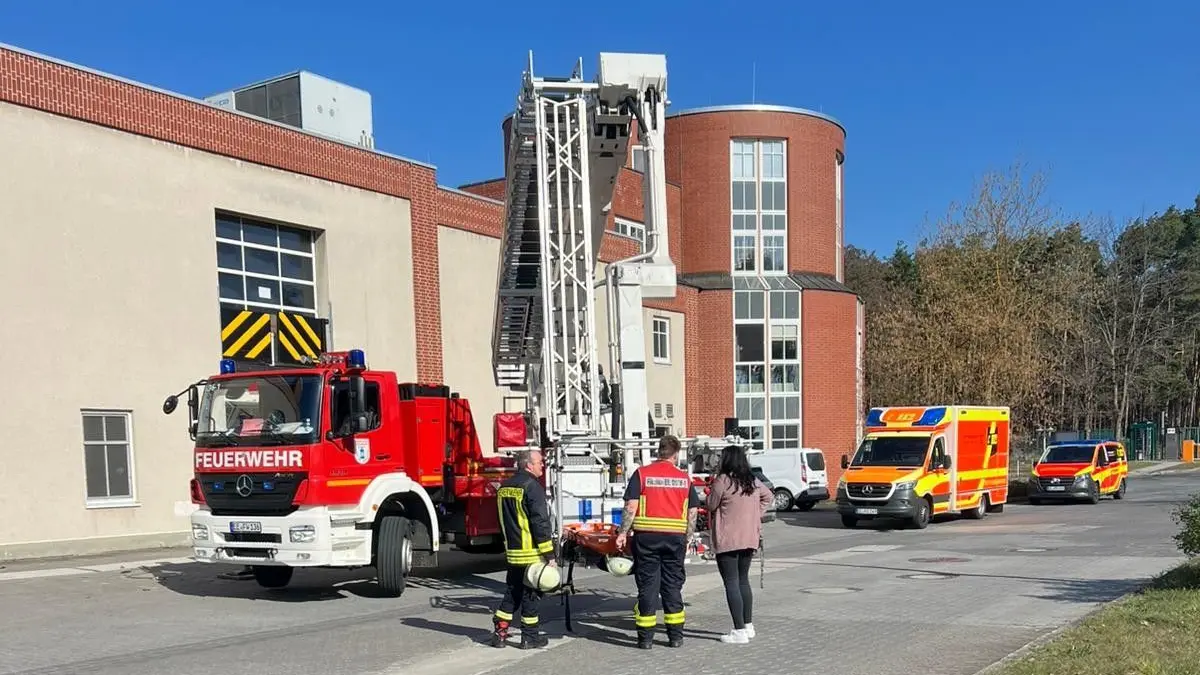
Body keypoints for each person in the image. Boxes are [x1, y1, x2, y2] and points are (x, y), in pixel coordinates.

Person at [615, 435, 702, 650]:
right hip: (675, 539)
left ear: (659, 452)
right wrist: (688, 536)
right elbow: (692, 512)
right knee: (672, 586)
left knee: (648, 586)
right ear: (676, 454)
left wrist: (622, 533)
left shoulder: (642, 474)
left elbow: (631, 507)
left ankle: (645, 639)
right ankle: (675, 637)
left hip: (646, 538)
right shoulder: (684, 479)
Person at [705, 443, 773, 644]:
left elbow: (710, 504)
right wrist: (755, 515)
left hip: (728, 539)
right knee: (743, 581)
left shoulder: (723, 481)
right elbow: (768, 496)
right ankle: (748, 625)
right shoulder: (751, 481)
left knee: (731, 582)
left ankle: (738, 630)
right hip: (749, 537)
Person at [490, 448, 557, 650]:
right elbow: (540, 523)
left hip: (514, 552)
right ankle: (530, 637)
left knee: (512, 592)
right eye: (539, 462)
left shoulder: (505, 487)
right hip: (532, 553)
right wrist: (550, 554)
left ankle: (500, 632)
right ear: (528, 464)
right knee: (531, 596)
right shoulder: (532, 487)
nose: (542, 466)